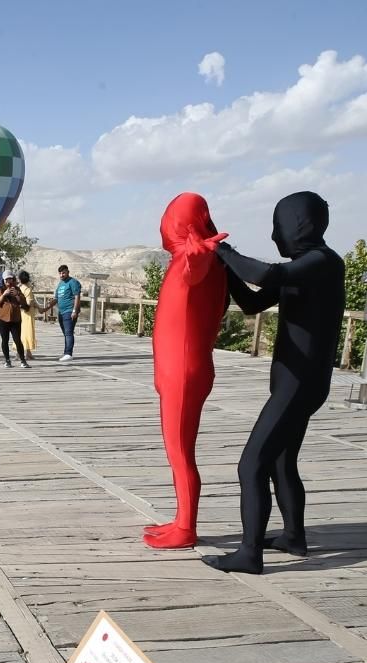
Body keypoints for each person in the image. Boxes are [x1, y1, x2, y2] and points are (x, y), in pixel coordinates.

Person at [204, 191, 345, 574]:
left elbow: (266, 274)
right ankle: (293, 536)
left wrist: (224, 251)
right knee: (282, 462)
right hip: (295, 382)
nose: (272, 237)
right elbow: (252, 303)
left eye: (277, 226)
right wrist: (225, 268)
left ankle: (249, 553)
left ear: (299, 224)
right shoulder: (304, 266)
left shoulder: (322, 262)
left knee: (250, 465)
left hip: (298, 385)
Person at [140, 194, 228, 551]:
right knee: (178, 450)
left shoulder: (197, 259)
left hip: (182, 372)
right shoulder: (192, 258)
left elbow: (195, 272)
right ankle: (181, 518)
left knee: (180, 452)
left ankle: (186, 526)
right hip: (180, 369)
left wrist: (196, 257)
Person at [46, 265, 81, 362]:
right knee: (66, 333)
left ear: (68, 272)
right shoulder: (60, 284)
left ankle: (68, 353)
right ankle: (66, 352)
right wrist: (49, 304)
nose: (62, 275)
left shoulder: (73, 282)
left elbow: (77, 296)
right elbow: (56, 298)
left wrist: (74, 310)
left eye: (63, 273)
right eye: (60, 273)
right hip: (61, 312)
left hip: (69, 311)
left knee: (69, 333)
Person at [0, 275, 30, 368]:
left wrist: (17, 295)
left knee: (17, 340)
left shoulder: (17, 289)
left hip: (15, 319)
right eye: (7, 280)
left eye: (11, 279)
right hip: (3, 319)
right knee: (5, 340)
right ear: (4, 280)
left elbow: (24, 303)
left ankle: (23, 360)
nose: (9, 282)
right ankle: (7, 360)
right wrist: (4, 294)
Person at [17, 270, 38, 361]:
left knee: (20, 333)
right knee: (28, 333)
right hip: (27, 314)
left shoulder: (19, 288)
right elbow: (29, 303)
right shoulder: (28, 289)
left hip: (19, 313)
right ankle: (25, 353)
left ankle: (25, 352)